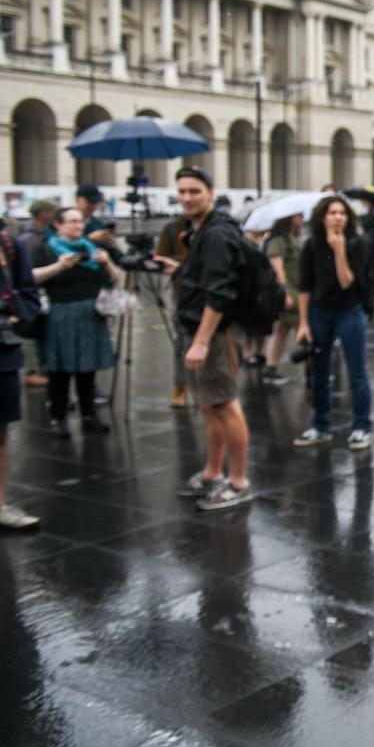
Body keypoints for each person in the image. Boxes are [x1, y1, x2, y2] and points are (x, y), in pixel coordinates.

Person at [173, 167, 253, 511]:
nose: (187, 198)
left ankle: (237, 481)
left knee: (224, 403)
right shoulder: (202, 230)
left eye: (194, 191)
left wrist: (202, 341)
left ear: (210, 192)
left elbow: (219, 293)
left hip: (213, 333)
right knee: (209, 404)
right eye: (182, 192)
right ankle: (212, 472)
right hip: (198, 329)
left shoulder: (217, 233)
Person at [293, 194, 374, 450]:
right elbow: (305, 286)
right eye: (332, 213)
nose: (338, 217)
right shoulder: (311, 245)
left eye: (342, 213)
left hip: (349, 311)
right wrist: (303, 322)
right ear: (323, 217)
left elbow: (347, 281)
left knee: (356, 371)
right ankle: (321, 425)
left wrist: (340, 251)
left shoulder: (357, 243)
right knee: (319, 371)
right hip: (320, 312)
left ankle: (362, 426)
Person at [31, 207, 119, 436]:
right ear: (58, 224)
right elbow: (31, 277)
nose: (78, 226)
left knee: (87, 369)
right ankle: (58, 418)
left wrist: (107, 262)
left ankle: (89, 416)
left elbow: (113, 279)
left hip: (91, 312)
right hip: (61, 312)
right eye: (71, 221)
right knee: (60, 370)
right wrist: (59, 266)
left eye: (80, 221)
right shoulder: (47, 248)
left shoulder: (90, 248)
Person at [0, 226, 40, 529]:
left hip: (3, 351)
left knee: (1, 431)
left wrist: (16, 316)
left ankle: (0, 503)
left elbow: (28, 293)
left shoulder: (9, 244)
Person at [17, 199, 56, 390]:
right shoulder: (29, 238)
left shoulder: (40, 235)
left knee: (41, 331)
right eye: (51, 211)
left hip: (40, 290)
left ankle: (40, 368)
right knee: (34, 331)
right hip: (34, 291)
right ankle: (34, 370)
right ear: (43, 214)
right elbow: (27, 270)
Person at [153, 210, 191, 406]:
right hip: (183, 293)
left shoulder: (214, 228)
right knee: (182, 341)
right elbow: (161, 259)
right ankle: (180, 385)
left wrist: (180, 262)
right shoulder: (171, 229)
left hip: (210, 293)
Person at [260, 214, 303, 386]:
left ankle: (270, 367)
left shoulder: (293, 237)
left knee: (283, 329)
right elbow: (277, 267)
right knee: (301, 328)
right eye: (298, 215)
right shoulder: (279, 240)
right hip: (289, 290)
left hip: (297, 289)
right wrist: (285, 292)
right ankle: (311, 367)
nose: (301, 218)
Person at [76, 184, 114, 248]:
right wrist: (89, 239)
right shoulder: (65, 222)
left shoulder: (99, 224)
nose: (93, 206)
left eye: (96, 202)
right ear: (77, 199)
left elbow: (112, 251)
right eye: (90, 202)